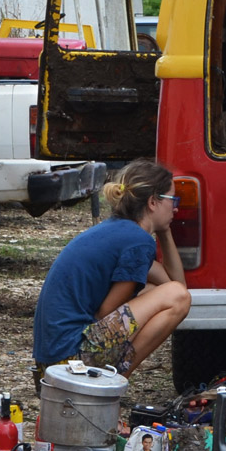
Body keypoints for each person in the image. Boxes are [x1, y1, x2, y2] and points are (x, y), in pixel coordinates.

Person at [33, 160, 192, 375]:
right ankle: (112, 380)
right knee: (176, 297)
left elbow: (172, 283)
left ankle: (106, 378)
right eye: (173, 200)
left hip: (52, 361)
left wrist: (164, 231)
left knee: (159, 292)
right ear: (153, 202)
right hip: (72, 357)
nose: (176, 207)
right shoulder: (137, 242)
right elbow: (106, 312)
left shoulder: (119, 233)